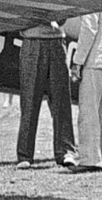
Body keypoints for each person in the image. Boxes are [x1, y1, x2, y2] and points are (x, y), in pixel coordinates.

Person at [15, 22, 77, 169]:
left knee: (61, 101)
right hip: (32, 41)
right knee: (29, 101)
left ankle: (66, 151)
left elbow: (62, 18)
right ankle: (25, 156)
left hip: (56, 42)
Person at [68, 11, 102, 172]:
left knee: (88, 113)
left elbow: (89, 28)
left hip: (94, 60)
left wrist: (77, 60)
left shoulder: (91, 0)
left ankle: (89, 160)